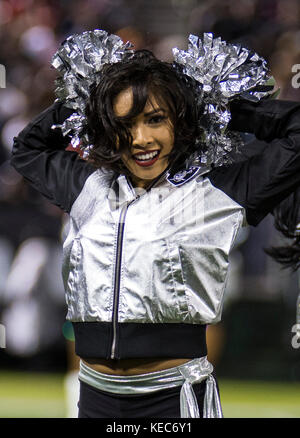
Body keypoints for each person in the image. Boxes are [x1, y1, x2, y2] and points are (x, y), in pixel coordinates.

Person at [10, 30, 300, 418]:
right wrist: (91, 96)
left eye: (156, 119)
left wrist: (208, 104)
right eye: (125, 123)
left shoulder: (220, 191)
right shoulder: (88, 188)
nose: (141, 139)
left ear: (180, 123)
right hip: (94, 396)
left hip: (172, 400)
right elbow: (28, 148)